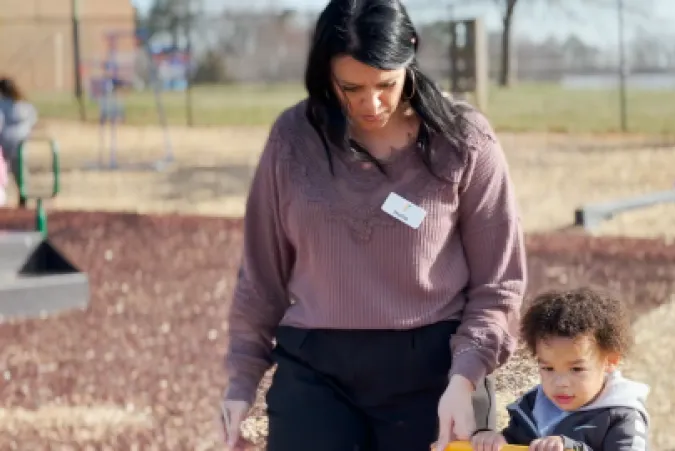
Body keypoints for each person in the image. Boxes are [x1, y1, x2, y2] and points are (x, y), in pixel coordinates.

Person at [218, 0, 527, 449]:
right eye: (351, 87)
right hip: (315, 369)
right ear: (326, 71)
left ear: (410, 55)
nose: (371, 103)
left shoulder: (465, 142)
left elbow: (499, 284)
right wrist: (241, 381)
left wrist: (467, 377)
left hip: (438, 371)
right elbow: (260, 275)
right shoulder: (292, 139)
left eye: (386, 83)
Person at [469, 287, 650, 451]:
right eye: (548, 368)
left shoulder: (622, 418)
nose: (560, 382)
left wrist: (572, 448)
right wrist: (494, 440)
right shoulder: (531, 407)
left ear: (610, 361)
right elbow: (513, 442)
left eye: (576, 369)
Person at [0, 76, 39, 208]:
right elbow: (33, 118)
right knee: (20, 171)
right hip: (21, 142)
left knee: (3, 170)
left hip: (4, 143)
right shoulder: (24, 105)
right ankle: (23, 194)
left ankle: (5, 195)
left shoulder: (3, 105)